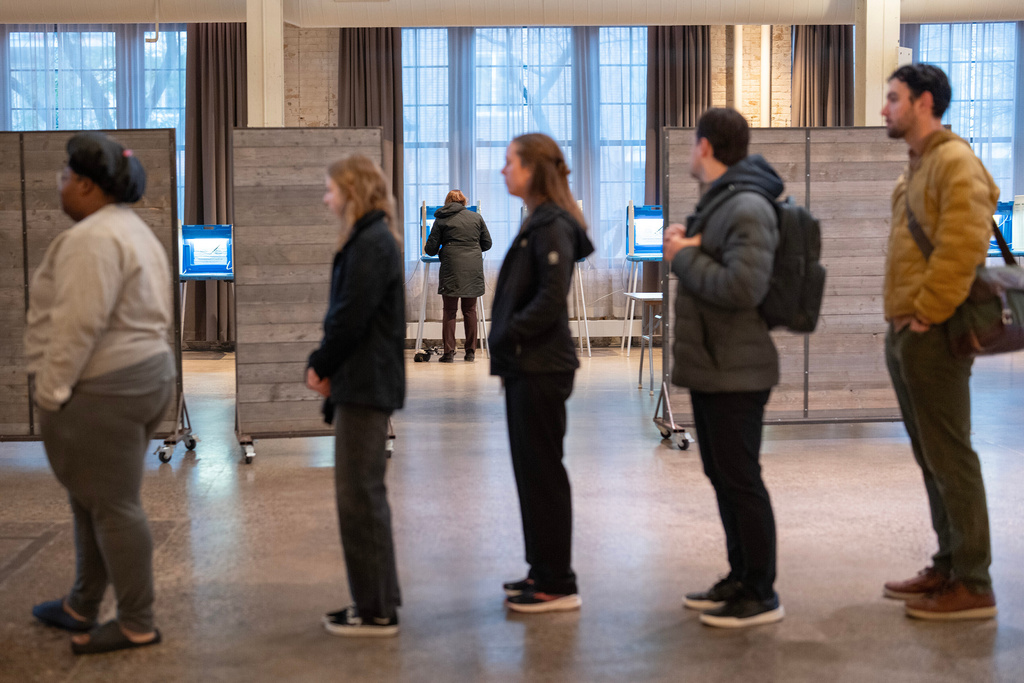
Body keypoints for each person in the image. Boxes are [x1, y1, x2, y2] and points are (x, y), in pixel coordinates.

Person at [27, 132, 175, 654]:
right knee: (91, 498)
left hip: (106, 385)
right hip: (145, 375)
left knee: (113, 505)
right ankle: (82, 602)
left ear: (87, 184)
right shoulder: (130, 229)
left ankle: (137, 621)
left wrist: (49, 392)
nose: (60, 185)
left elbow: (77, 326)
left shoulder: (92, 239)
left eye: (66, 176)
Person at [879, 64, 999, 620]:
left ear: (924, 103)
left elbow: (963, 245)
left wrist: (926, 313)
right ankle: (949, 563)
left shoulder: (955, 161)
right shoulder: (918, 166)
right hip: (906, 332)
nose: (885, 109)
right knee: (932, 457)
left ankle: (973, 581)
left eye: (893, 98)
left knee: (952, 455)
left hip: (934, 333)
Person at [663, 108, 785, 628]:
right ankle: (739, 577)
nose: (691, 151)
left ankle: (760, 592)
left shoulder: (748, 207)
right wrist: (689, 246)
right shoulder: (721, 204)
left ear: (706, 146)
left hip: (739, 370)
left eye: (693, 143)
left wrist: (682, 256)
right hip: (716, 367)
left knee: (740, 479)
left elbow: (743, 287)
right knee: (722, 475)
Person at [489, 133, 594, 613]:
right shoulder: (540, 220)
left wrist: (510, 333)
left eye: (510, 161)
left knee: (543, 474)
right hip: (527, 366)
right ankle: (541, 569)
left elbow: (550, 298)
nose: (503, 169)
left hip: (540, 366)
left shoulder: (552, 224)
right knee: (530, 472)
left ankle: (558, 582)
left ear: (532, 169)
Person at [306, 154, 405, 637]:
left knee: (359, 497)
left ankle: (375, 610)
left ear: (352, 190)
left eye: (331, 190)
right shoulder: (372, 238)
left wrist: (320, 362)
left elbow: (350, 316)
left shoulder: (371, 242)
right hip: (364, 381)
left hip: (365, 384)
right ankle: (380, 599)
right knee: (366, 495)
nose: (326, 199)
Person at [424, 189, 493, 362]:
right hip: (473, 267)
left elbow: (430, 250)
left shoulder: (441, 219)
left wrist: (445, 249)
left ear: (447, 202)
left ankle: (448, 354)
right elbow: (487, 243)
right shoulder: (476, 217)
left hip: (451, 267)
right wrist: (472, 249)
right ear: (464, 202)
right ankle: (470, 352)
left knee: (449, 310)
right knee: (470, 310)